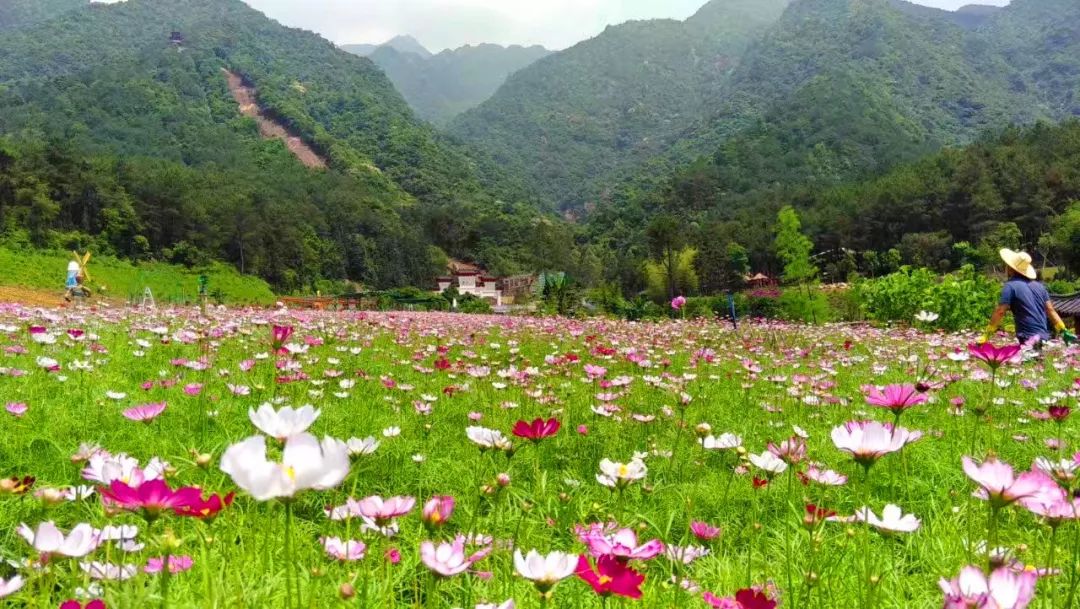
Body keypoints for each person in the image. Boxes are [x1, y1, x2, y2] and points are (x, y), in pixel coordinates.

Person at [980, 249, 1076, 346]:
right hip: (1043, 334)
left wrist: (987, 334)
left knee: (1029, 359)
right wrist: (1064, 330)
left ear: (1010, 268)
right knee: (1038, 359)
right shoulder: (1040, 287)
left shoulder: (1010, 286)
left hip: (1027, 335)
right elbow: (1050, 310)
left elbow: (1000, 311)